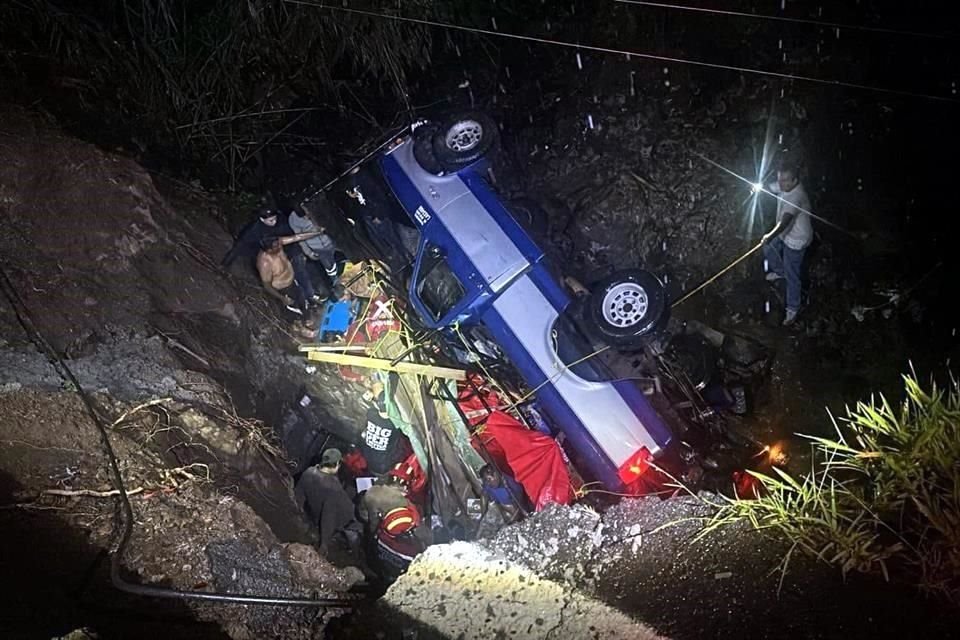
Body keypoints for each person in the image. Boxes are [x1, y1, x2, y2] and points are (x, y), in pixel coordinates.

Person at [761, 163, 813, 326]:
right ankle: (779, 271)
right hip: (785, 234)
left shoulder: (797, 196)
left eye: (784, 181)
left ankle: (793, 309)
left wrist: (769, 235)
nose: (781, 184)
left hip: (797, 240)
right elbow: (771, 188)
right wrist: (758, 188)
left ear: (795, 180)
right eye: (779, 180)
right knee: (769, 249)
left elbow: (785, 222)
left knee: (793, 275)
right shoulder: (785, 185)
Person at [294, 448, 361, 556]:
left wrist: (297, 515)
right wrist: (324, 544)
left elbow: (298, 495)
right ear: (337, 464)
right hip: (346, 522)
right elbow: (328, 516)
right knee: (357, 531)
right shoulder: (333, 487)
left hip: (317, 515)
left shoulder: (309, 472)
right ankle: (353, 553)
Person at [289, 206, 344, 296]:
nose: (306, 218)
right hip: (317, 248)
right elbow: (299, 238)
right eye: (303, 217)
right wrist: (308, 252)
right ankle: (337, 285)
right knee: (330, 268)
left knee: (343, 260)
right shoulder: (292, 219)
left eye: (307, 215)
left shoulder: (312, 206)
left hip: (330, 241)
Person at [256, 237, 310, 317]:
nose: (279, 246)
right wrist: (282, 298)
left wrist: (316, 232)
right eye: (276, 246)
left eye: (278, 244)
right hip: (284, 289)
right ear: (269, 250)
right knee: (294, 308)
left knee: (301, 297)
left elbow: (295, 237)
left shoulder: (277, 245)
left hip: (292, 281)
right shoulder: (265, 263)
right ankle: (301, 322)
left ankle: (306, 313)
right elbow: (266, 285)